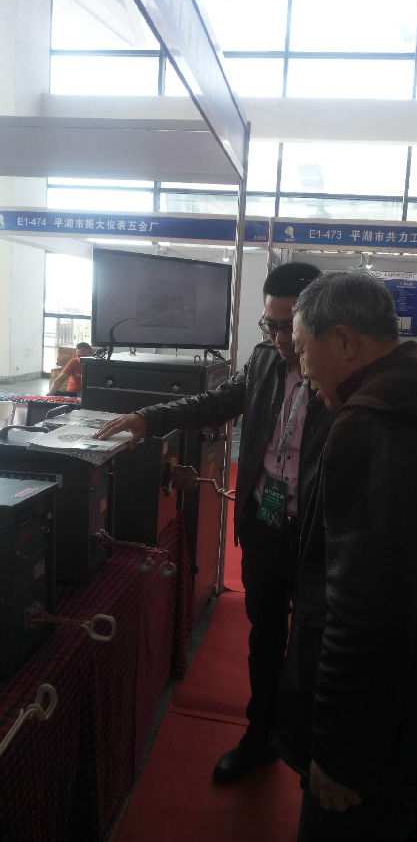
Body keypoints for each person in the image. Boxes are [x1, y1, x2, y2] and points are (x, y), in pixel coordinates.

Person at [276, 269, 417, 842]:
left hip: (376, 736)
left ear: (344, 341)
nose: (301, 369)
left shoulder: (372, 424)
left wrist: (338, 751)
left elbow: (364, 610)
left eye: (302, 349)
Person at [93, 262, 334, 783]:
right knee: (264, 636)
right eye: (269, 325)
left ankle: (315, 751)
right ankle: (260, 736)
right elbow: (218, 401)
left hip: (320, 536)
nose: (278, 339)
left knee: (316, 646)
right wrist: (150, 418)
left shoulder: (340, 377)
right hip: (266, 525)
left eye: (288, 327)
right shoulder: (266, 358)